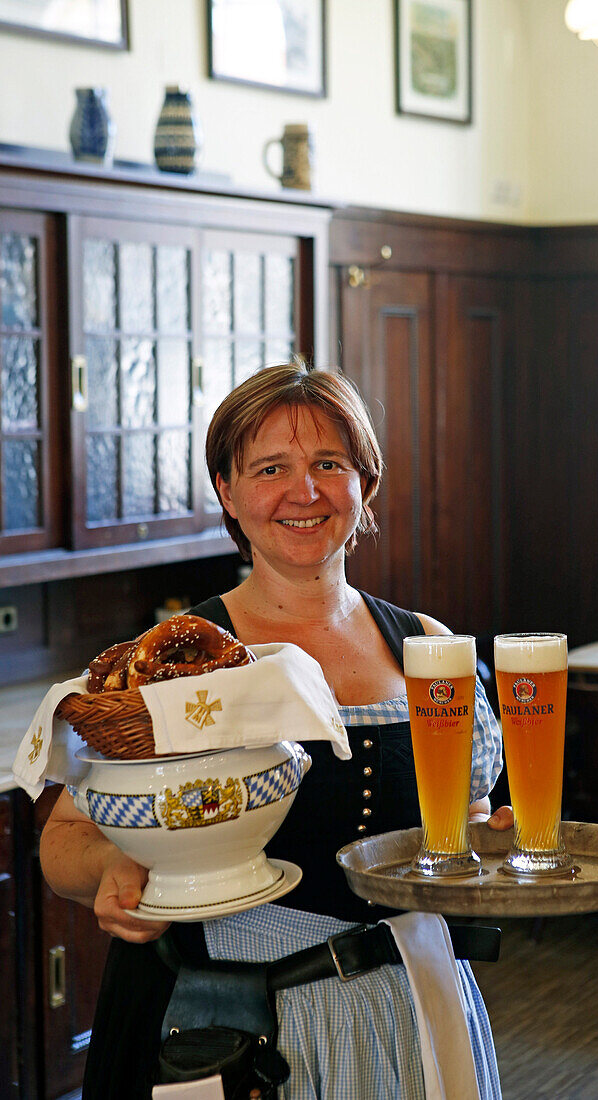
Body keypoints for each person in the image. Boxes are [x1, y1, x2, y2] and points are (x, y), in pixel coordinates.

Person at [40, 360, 513, 1099]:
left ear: (365, 483)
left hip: (408, 1005)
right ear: (228, 492)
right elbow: (63, 838)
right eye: (270, 468)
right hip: (230, 1020)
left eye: (329, 463)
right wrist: (111, 865)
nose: (305, 491)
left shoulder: (426, 645)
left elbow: (467, 818)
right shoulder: (177, 659)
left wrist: (492, 841)